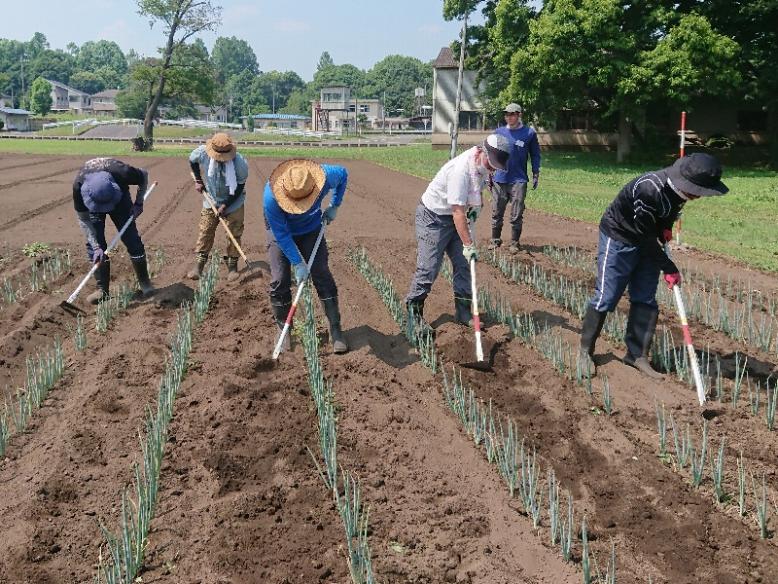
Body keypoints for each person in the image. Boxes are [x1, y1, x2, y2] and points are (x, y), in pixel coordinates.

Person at [579, 153, 728, 378]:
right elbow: (645, 235)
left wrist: (665, 228)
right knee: (606, 296)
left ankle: (636, 355)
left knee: (645, 297)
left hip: (647, 239)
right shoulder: (649, 189)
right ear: (688, 183)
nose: (700, 196)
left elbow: (665, 216)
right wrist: (668, 266)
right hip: (619, 236)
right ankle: (585, 352)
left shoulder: (681, 193)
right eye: (699, 191)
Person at [405, 133, 511, 328]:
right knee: (429, 268)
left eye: (495, 167)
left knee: (464, 265)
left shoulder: (481, 166)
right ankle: (414, 313)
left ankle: (463, 311)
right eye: (490, 164)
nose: (491, 169)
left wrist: (476, 211)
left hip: (456, 216)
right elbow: (457, 213)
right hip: (433, 218)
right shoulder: (460, 170)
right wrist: (469, 244)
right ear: (482, 151)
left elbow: (473, 199)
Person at [263, 159, 349, 354]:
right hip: (282, 232)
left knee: (321, 272)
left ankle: (335, 328)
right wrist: (298, 263)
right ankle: (283, 329)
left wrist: (335, 205)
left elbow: (344, 174)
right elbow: (281, 235)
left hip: (310, 228)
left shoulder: (325, 176)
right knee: (279, 278)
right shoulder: (271, 197)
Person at [72, 158, 153, 304]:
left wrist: (139, 202)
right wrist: (96, 246)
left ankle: (145, 283)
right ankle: (102, 289)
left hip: (119, 201)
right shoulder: (79, 186)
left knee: (131, 239)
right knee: (95, 245)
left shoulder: (123, 172)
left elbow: (144, 175)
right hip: (94, 206)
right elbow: (84, 220)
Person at [187, 132, 249, 281]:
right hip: (211, 199)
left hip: (234, 202)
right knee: (205, 230)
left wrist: (225, 205)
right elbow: (192, 160)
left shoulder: (239, 163)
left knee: (234, 234)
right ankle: (199, 266)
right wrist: (198, 180)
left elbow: (240, 186)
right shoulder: (202, 152)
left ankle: (232, 268)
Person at [488, 103, 541, 252]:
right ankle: (495, 240)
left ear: (519, 115)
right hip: (499, 178)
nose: (508, 117)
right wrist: (489, 174)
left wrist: (535, 172)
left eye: (512, 114)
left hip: (519, 179)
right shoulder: (498, 132)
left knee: (517, 213)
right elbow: (491, 153)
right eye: (506, 114)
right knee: (496, 211)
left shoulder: (529, 133)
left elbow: (535, 154)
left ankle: (514, 243)